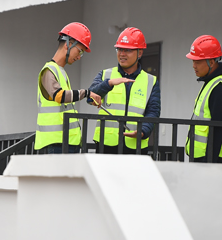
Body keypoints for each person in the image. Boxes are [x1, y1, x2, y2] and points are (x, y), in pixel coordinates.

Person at [88, 27, 160, 154]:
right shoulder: (106, 75)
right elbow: (89, 97)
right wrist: (108, 84)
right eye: (119, 49)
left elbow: (153, 112)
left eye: (127, 50)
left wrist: (143, 131)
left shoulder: (151, 81)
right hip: (106, 145)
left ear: (140, 53)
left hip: (135, 146)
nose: (122, 54)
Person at [35, 22, 102, 154]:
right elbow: (59, 96)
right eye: (80, 51)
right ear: (69, 43)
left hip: (67, 142)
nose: (79, 56)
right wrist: (86, 93)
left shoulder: (60, 71)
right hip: (55, 144)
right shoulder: (49, 71)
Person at [185, 35, 222, 163]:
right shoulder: (211, 82)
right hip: (203, 157)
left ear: (212, 62)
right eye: (193, 61)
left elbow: (218, 128)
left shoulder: (219, 87)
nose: (193, 66)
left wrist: (210, 164)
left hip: (211, 160)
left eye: (197, 62)